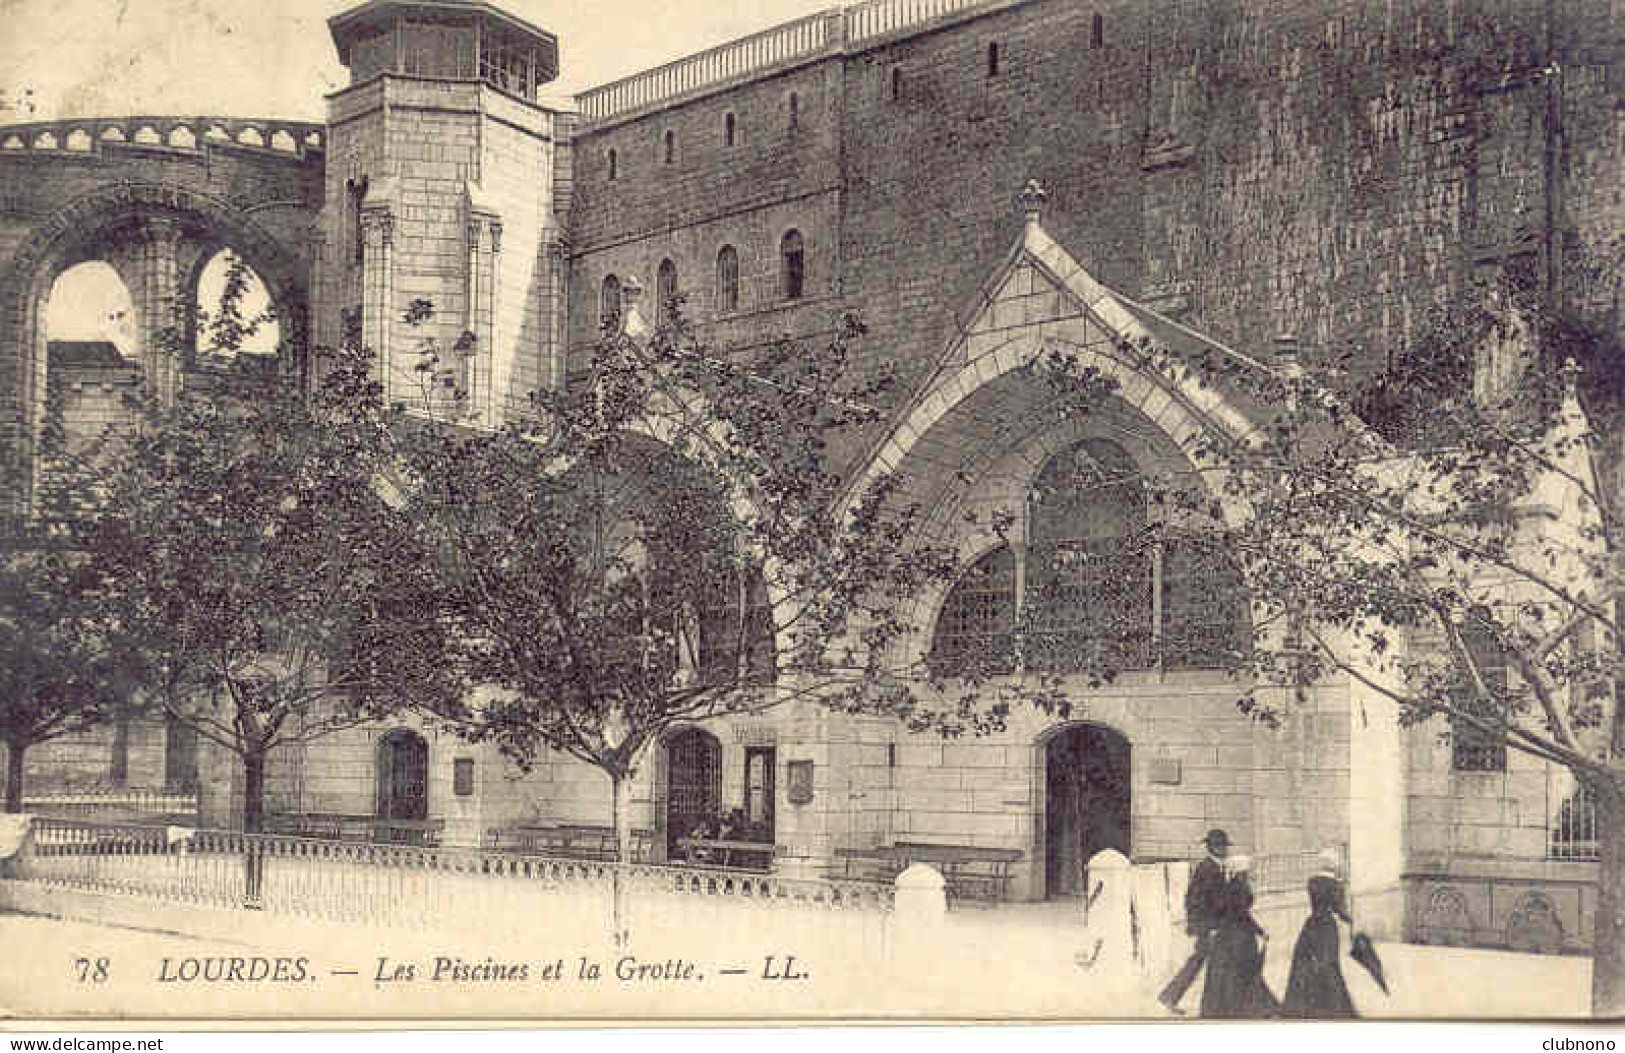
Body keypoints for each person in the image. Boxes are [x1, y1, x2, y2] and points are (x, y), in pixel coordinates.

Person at [1158, 828, 1230, 1015]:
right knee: (1201, 961)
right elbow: (1200, 901)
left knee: (1203, 961)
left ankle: (1171, 996)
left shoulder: (1214, 867)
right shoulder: (1208, 869)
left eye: (1224, 846)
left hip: (1210, 926)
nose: (1225, 850)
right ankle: (1172, 996)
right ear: (1213, 848)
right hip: (1209, 926)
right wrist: (1209, 927)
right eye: (1221, 846)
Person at [1199, 855, 1282, 1018]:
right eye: (1247, 869)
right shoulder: (1241, 887)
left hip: (1228, 935)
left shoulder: (1230, 886)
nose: (1250, 872)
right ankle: (1256, 1007)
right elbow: (1243, 915)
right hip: (1241, 937)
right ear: (1241, 871)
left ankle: (1236, 1007)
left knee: (1234, 974)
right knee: (1246, 973)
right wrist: (1260, 931)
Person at [1283, 848, 1357, 1018]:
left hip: (1311, 925)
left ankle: (1305, 1003)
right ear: (1334, 865)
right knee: (1329, 964)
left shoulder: (1312, 881)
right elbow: (1339, 910)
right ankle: (1330, 1005)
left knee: (1306, 963)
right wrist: (1352, 920)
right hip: (1327, 927)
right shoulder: (1336, 885)